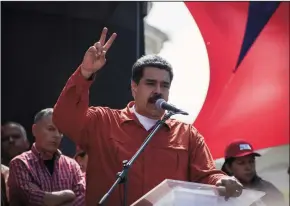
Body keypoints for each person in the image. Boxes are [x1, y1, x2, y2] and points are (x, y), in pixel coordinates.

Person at [53, 27, 243, 206]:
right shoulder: (103, 121)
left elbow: (207, 175)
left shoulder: (187, 135)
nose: (158, 91)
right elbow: (63, 118)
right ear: (134, 88)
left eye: (165, 86)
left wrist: (222, 180)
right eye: (151, 84)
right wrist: (85, 73)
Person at [8, 108, 85, 206]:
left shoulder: (72, 165)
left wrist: (49, 198)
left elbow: (83, 198)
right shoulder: (20, 163)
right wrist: (69, 194)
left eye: (60, 131)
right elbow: (33, 200)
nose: (57, 135)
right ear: (35, 130)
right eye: (51, 129)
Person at [221, 140, 286, 206]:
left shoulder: (269, 189)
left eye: (251, 161)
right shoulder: (221, 194)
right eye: (241, 163)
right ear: (228, 167)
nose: (248, 167)